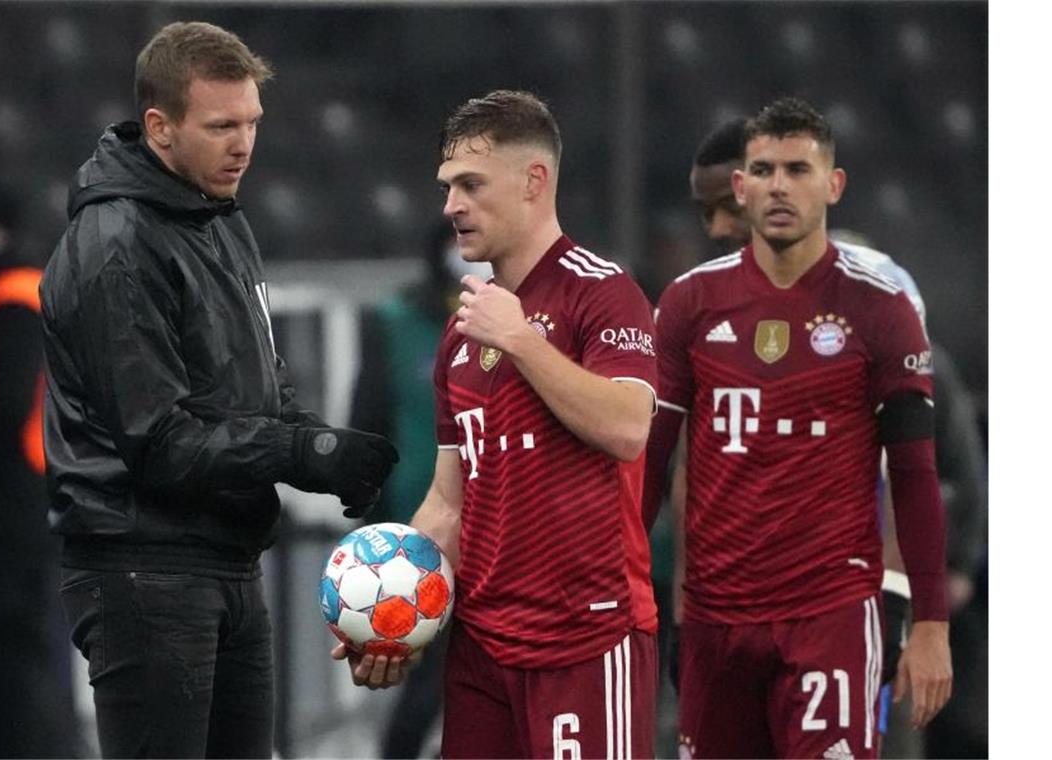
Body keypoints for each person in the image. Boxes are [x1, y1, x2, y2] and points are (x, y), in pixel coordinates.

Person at [39, 21, 398, 759]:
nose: (244, 144)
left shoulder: (223, 222)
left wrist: (324, 458)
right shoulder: (116, 246)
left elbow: (263, 390)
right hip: (143, 567)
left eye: (253, 123)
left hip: (227, 560)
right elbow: (159, 442)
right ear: (159, 128)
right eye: (221, 125)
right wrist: (304, 450)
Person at [333, 90, 660, 759]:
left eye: (472, 185)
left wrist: (524, 341)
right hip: (482, 647)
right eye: (449, 186)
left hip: (587, 640)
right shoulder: (461, 333)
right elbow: (448, 502)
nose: (452, 205)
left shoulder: (602, 292)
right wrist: (388, 614)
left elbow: (630, 427)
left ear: (534, 181)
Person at [644, 97, 952, 759]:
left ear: (832, 185)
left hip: (836, 604)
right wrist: (650, 602)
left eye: (797, 170)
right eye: (762, 172)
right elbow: (667, 469)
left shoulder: (883, 301)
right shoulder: (690, 304)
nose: (777, 186)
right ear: (743, 183)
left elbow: (913, 470)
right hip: (717, 614)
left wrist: (919, 612)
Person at [349, 222, 491, 759]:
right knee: (421, 689)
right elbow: (366, 430)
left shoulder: (515, 326)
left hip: (498, 537)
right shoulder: (393, 323)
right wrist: (370, 540)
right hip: (415, 542)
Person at [0, 190, 81, 758]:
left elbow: (9, 406)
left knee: (16, 670)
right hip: (13, 508)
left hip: (6, 511)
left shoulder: (10, 295)